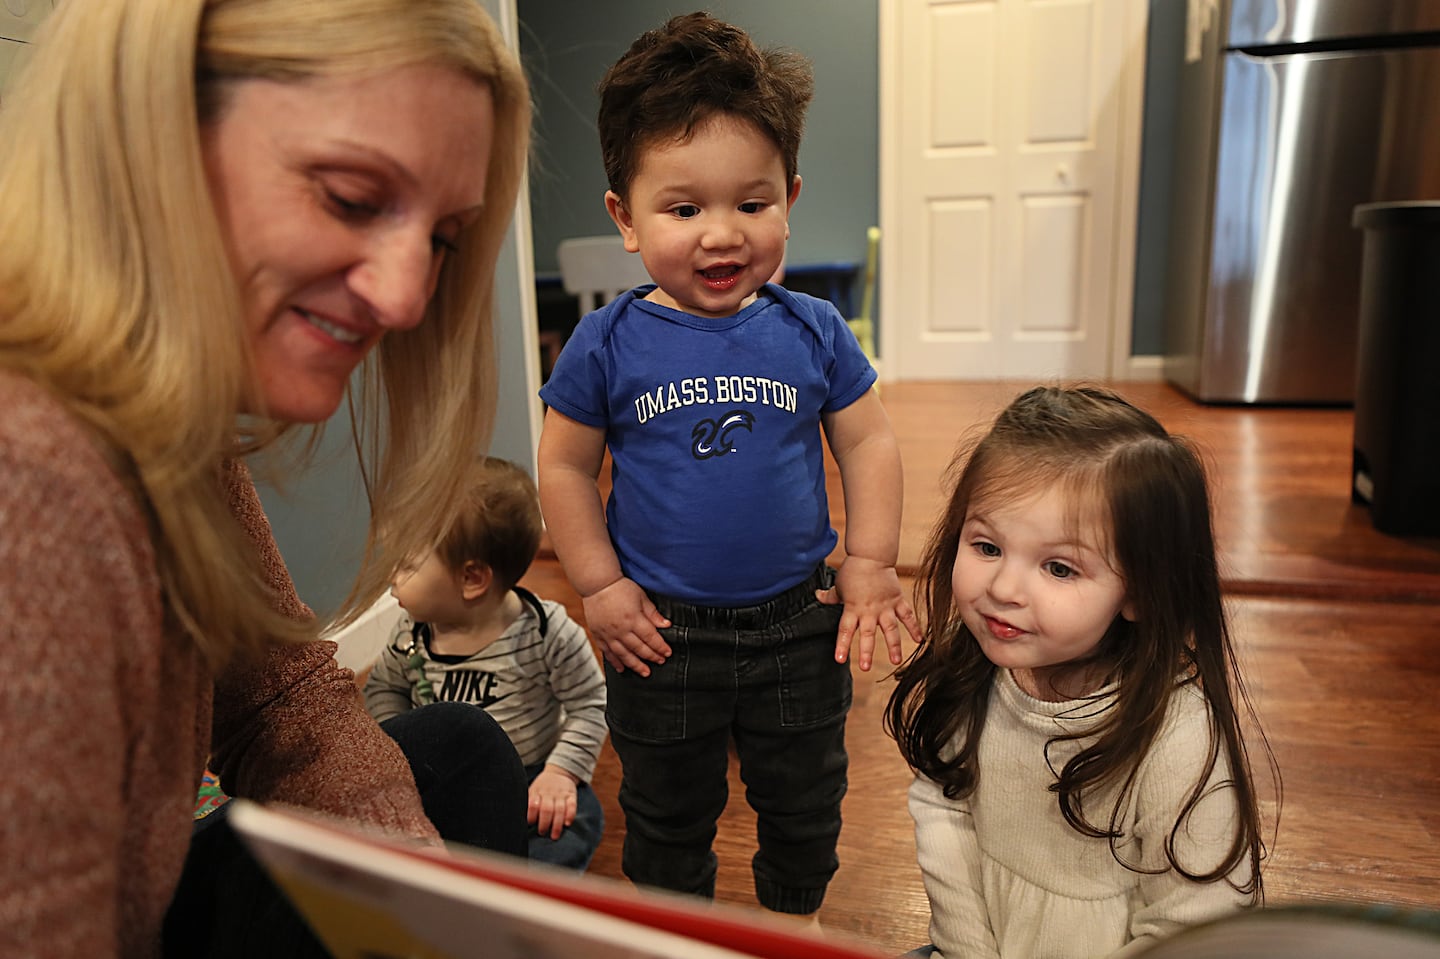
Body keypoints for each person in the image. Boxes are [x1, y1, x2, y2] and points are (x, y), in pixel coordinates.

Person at [0, 0, 533, 955]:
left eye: (442, 237)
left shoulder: (169, 425)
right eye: (350, 196)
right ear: (153, 137)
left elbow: (282, 701)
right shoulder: (29, 483)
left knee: (455, 755)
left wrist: (428, 919)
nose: (409, 296)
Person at [537, 12, 921, 919]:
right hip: (662, 631)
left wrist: (870, 561)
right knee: (666, 814)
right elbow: (561, 468)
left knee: (804, 801)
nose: (721, 235)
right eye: (683, 208)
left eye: (751, 205)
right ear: (625, 219)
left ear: (788, 195)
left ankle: (793, 922)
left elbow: (868, 440)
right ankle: (677, 933)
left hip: (799, 623)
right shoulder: (605, 342)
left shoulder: (812, 329)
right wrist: (598, 585)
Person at [885, 385, 1276, 959]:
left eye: (1059, 567)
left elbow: (1195, 926)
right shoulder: (975, 671)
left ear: (1140, 590)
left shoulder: (1178, 739)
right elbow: (944, 814)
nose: (1003, 590)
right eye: (987, 546)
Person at [365, 457, 609, 870]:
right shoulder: (411, 634)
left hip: (530, 780)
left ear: (472, 578)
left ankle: (527, 895)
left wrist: (561, 773)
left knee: (576, 819)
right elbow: (384, 688)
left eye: (406, 564)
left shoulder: (546, 632)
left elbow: (592, 702)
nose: (391, 576)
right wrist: (399, 755)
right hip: (450, 777)